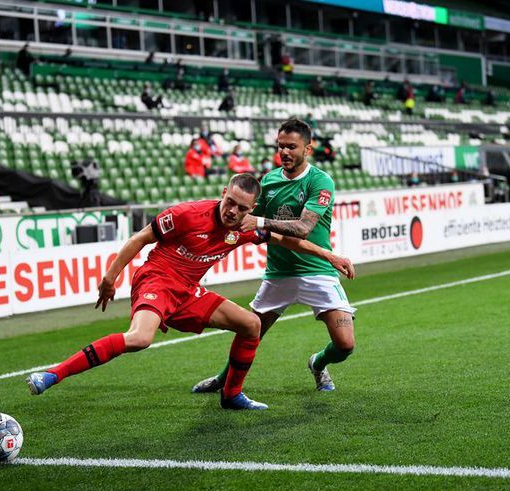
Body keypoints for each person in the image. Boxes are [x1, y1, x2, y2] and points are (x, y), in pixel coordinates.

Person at [27, 174, 354, 411]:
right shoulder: (187, 214)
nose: (232, 212)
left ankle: (231, 395)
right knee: (140, 339)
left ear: (252, 209)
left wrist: (331, 255)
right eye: (229, 203)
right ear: (223, 193)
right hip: (156, 280)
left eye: (241, 208)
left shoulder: (246, 228)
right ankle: (53, 375)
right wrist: (110, 278)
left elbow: (289, 240)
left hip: (188, 292)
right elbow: (140, 238)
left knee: (251, 324)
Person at [192, 119, 357, 395]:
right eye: (280, 146)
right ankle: (223, 379)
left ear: (308, 149)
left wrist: (260, 222)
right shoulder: (268, 182)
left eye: (292, 146)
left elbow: (303, 228)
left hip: (317, 271)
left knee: (345, 344)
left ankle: (317, 363)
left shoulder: (320, 181)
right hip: (278, 274)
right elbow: (247, 219)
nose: (285, 152)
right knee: (249, 331)